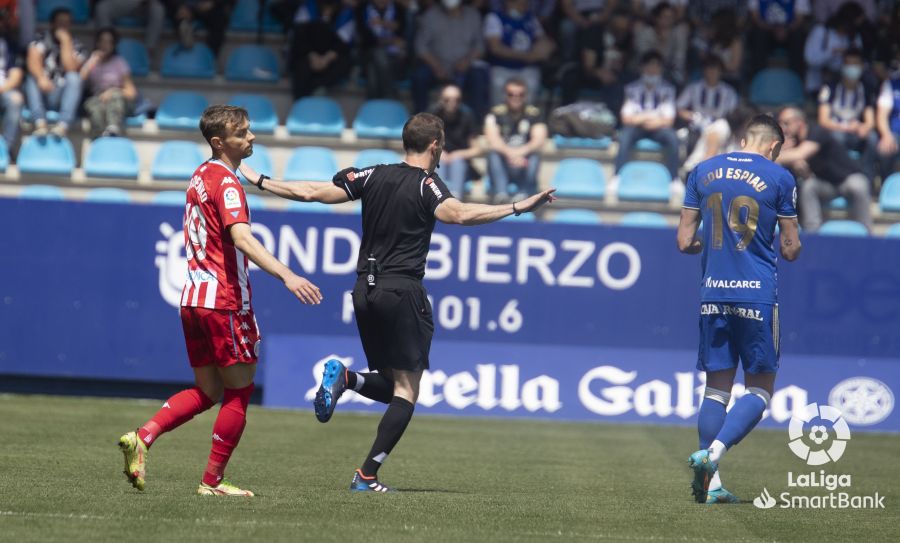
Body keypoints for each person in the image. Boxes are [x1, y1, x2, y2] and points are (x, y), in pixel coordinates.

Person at [238, 112, 556, 492]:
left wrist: (261, 180)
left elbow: (312, 193)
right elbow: (459, 214)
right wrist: (518, 207)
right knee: (407, 390)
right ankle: (366, 475)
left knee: (391, 385)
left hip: (364, 292)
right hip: (401, 291)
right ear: (435, 145)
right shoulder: (428, 185)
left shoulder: (372, 174)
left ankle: (347, 378)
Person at [117, 105, 323, 497]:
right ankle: (211, 482)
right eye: (242, 133)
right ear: (219, 141)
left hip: (193, 297)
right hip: (225, 300)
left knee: (207, 391)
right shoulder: (227, 185)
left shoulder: (199, 176)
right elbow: (241, 238)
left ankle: (142, 437)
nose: (252, 138)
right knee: (239, 392)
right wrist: (288, 275)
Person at [678, 114, 801, 505]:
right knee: (761, 390)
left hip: (712, 292)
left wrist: (707, 248)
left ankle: (711, 486)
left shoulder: (701, 171)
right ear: (773, 146)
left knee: (716, 388)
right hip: (757, 295)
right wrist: (789, 248)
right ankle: (712, 455)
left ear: (743, 138)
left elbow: (684, 241)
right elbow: (790, 247)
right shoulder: (780, 178)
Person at [776, 106, 873, 232]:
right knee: (809, 187)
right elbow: (804, 171)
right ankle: (812, 232)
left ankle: (867, 232)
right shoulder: (794, 142)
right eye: (781, 123)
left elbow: (801, 154)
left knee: (859, 185)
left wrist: (776, 155)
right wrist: (793, 161)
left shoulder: (817, 131)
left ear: (799, 122)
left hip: (848, 178)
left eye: (786, 123)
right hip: (826, 184)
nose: (783, 128)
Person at [615, 50, 680, 189]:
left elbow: (669, 120)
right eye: (649, 66)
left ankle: (674, 179)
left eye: (656, 66)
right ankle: (617, 176)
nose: (652, 70)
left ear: (661, 69)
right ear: (642, 68)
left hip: (659, 128)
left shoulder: (668, 89)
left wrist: (643, 118)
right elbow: (626, 118)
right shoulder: (631, 88)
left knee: (673, 138)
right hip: (637, 128)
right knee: (625, 135)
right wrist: (650, 117)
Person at [412, 0, 488, 118]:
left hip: (465, 67)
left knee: (478, 76)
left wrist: (467, 62)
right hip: (436, 66)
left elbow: (480, 46)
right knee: (419, 77)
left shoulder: (473, 15)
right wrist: (436, 66)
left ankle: (476, 123)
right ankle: (421, 120)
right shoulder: (430, 15)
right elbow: (420, 46)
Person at [817, 47, 878, 180]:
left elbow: (870, 120)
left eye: (855, 64)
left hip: (855, 132)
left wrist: (864, 127)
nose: (851, 68)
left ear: (861, 66)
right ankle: (842, 176)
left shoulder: (866, 88)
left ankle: (867, 177)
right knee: (838, 138)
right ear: (843, 66)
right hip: (836, 130)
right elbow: (823, 120)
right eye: (848, 64)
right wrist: (845, 127)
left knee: (872, 138)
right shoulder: (830, 87)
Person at [24, 7, 85, 137]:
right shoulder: (40, 39)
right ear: (52, 23)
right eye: (60, 22)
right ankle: (40, 123)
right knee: (31, 77)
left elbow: (71, 68)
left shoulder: (78, 45)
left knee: (75, 78)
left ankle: (63, 125)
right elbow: (32, 58)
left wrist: (65, 42)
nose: (63, 25)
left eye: (67, 22)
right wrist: (41, 77)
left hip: (62, 95)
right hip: (43, 92)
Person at [484, 77, 548, 201]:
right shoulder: (495, 113)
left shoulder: (534, 113)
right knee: (493, 154)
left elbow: (539, 140)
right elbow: (492, 139)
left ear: (525, 96)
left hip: (524, 163)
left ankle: (523, 194)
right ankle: (501, 193)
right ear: (505, 95)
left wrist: (519, 153)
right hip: (504, 163)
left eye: (520, 94)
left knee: (535, 155)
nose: (516, 97)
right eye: (511, 94)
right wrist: (511, 154)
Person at [483, 0, 555, 105]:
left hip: (527, 68)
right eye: (520, 3)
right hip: (502, 67)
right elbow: (495, 48)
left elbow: (543, 40)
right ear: (508, 3)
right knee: (498, 92)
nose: (524, 5)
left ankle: (528, 119)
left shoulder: (530, 18)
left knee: (532, 85)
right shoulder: (494, 18)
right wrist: (525, 56)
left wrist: (544, 49)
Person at [678, 55, 738, 172]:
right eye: (709, 68)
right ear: (704, 70)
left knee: (719, 127)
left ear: (720, 72)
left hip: (721, 124)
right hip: (697, 124)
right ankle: (704, 168)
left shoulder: (729, 92)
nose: (712, 72)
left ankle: (695, 166)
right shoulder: (694, 88)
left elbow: (733, 114)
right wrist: (692, 116)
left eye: (715, 69)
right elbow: (679, 108)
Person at [287, 0, 355, 99]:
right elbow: (300, 36)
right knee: (301, 67)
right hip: (308, 54)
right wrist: (313, 56)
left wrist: (325, 59)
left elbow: (344, 42)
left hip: (331, 56)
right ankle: (300, 104)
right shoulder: (307, 7)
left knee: (344, 63)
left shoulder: (346, 12)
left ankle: (317, 88)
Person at [79, 28, 137, 138]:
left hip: (119, 101)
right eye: (102, 41)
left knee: (115, 97)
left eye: (109, 42)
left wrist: (112, 91)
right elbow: (80, 80)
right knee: (93, 106)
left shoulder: (120, 62)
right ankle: (99, 138)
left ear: (114, 45)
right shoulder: (91, 62)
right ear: (97, 42)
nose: (104, 45)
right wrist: (92, 61)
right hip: (97, 98)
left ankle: (113, 129)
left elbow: (131, 93)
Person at [431, 84, 482, 198]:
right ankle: (439, 199)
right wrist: (438, 151)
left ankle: (454, 199)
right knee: (440, 162)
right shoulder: (432, 116)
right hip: (438, 160)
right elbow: (424, 144)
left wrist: (458, 154)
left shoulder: (467, 116)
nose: (452, 103)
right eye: (447, 99)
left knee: (457, 162)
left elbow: (477, 149)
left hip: (461, 163)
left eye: (457, 100)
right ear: (440, 100)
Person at [356, 0, 407, 99]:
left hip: (394, 57)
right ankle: (390, 97)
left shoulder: (399, 9)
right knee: (379, 55)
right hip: (368, 54)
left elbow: (402, 36)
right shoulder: (362, 8)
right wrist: (390, 39)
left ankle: (374, 105)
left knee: (373, 71)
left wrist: (381, 23)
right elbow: (366, 39)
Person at [94, 0, 165, 53]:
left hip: (144, 5)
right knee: (102, 7)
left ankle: (148, 51)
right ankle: (105, 48)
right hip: (121, 3)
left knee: (158, 10)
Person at [0, 12, 23, 151]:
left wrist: (3, 89)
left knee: (16, 100)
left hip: (4, 89)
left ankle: (6, 150)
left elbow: (16, 74)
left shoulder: (11, 45)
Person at [876, 65, 900, 177]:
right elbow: (882, 115)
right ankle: (887, 186)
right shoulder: (891, 84)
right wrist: (886, 135)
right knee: (885, 148)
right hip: (895, 134)